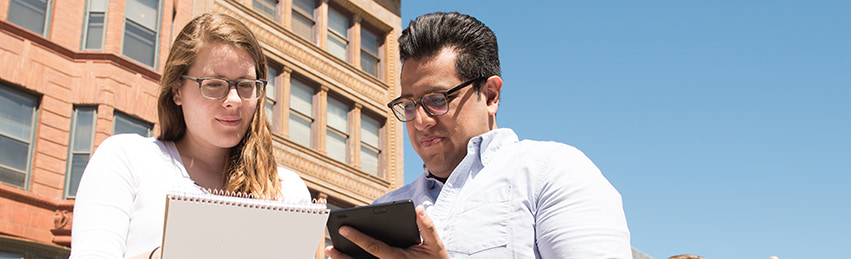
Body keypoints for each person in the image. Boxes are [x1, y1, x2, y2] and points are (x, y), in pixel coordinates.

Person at [326, 12, 631, 258]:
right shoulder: (385, 209)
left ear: (490, 95)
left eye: (437, 100)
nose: (420, 121)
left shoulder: (551, 172)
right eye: (408, 105)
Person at [70, 13, 311, 259]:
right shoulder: (127, 159)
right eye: (214, 84)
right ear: (177, 91)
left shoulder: (288, 190)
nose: (234, 100)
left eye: (246, 85)